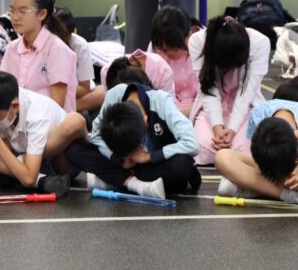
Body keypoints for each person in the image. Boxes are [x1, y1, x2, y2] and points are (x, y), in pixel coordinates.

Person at [66, 83, 200, 199]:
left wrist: (150, 157)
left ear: (145, 121)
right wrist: (120, 158)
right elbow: (96, 136)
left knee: (183, 166)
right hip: (124, 163)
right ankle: (133, 184)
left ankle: (113, 180)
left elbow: (192, 144)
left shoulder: (161, 101)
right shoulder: (114, 96)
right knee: (74, 149)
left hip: (152, 164)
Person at [0, 71, 87, 195]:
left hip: (58, 162)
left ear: (15, 106)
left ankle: (11, 177)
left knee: (74, 121)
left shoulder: (37, 114)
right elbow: (3, 146)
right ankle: (37, 179)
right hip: (24, 157)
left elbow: (29, 179)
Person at [214, 99, 298, 211]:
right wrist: (261, 167)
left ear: (297, 136)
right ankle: (296, 196)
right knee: (222, 157)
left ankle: (252, 187)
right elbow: (256, 157)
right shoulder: (258, 114)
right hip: (266, 167)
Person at [187, 17, 269, 165]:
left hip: (246, 106)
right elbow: (208, 89)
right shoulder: (197, 41)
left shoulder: (260, 43)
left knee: (242, 149)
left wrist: (232, 130)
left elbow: (246, 93)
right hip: (210, 108)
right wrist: (217, 128)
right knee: (201, 149)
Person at [0, 0, 77, 112]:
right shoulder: (12, 48)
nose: (15, 17)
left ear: (41, 14)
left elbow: (56, 106)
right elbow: (3, 92)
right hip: (17, 119)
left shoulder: (56, 49)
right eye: (12, 11)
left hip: (50, 121)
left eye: (23, 11)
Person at [148, 5, 201, 116]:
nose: (168, 53)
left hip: (199, 109)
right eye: (163, 49)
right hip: (166, 110)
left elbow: (210, 97)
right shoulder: (155, 49)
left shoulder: (202, 45)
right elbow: (150, 90)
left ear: (189, 34)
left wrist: (178, 115)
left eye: (174, 48)